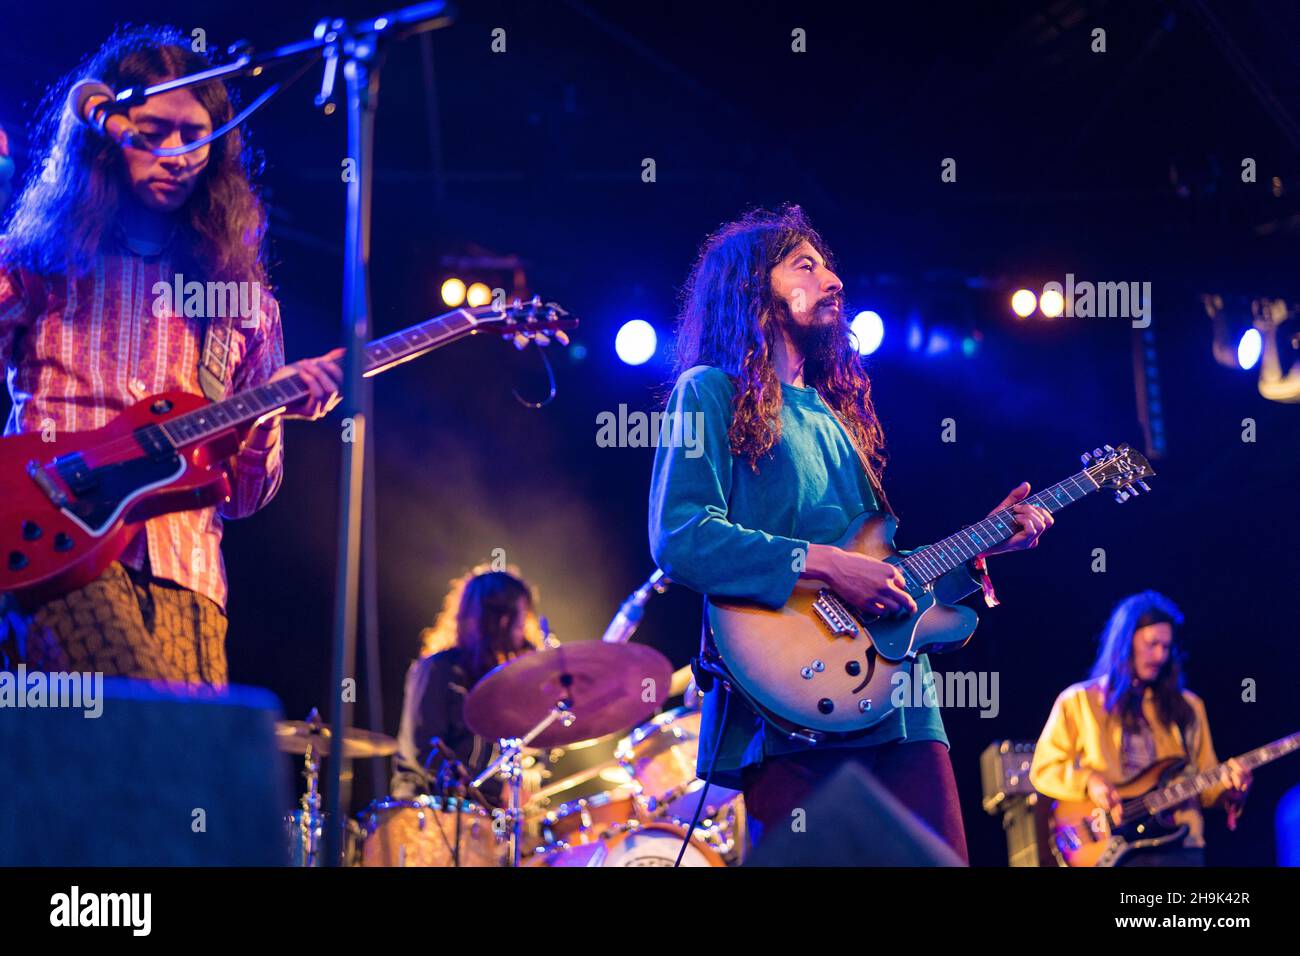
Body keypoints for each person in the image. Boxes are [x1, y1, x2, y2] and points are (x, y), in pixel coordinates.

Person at [648, 205, 1053, 862]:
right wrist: (829, 566)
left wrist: (985, 547)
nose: (834, 279)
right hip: (786, 706)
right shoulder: (709, 391)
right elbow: (682, 537)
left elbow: (887, 579)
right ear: (752, 286)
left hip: (901, 705)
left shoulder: (838, 418)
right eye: (806, 265)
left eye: (830, 264)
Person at [0, 27, 344, 687]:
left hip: (190, 573)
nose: (178, 154)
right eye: (154, 132)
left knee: (194, 778)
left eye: (196, 135)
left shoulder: (242, 301)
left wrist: (266, 420)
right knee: (154, 741)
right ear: (105, 132)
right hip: (55, 546)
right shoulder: (39, 260)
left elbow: (243, 499)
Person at [1029, 590, 1251, 866]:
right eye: (1151, 644)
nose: (1159, 655)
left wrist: (1231, 790)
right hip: (1110, 848)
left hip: (1180, 846)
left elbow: (1206, 782)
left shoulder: (1190, 707)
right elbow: (1043, 769)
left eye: (1166, 647)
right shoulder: (1079, 701)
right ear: (1126, 642)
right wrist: (1088, 781)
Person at [391, 567, 543, 804]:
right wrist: (496, 789)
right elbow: (424, 754)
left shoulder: (497, 683)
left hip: (478, 818)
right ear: (501, 620)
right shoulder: (437, 670)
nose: (523, 630)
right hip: (428, 815)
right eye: (521, 619)